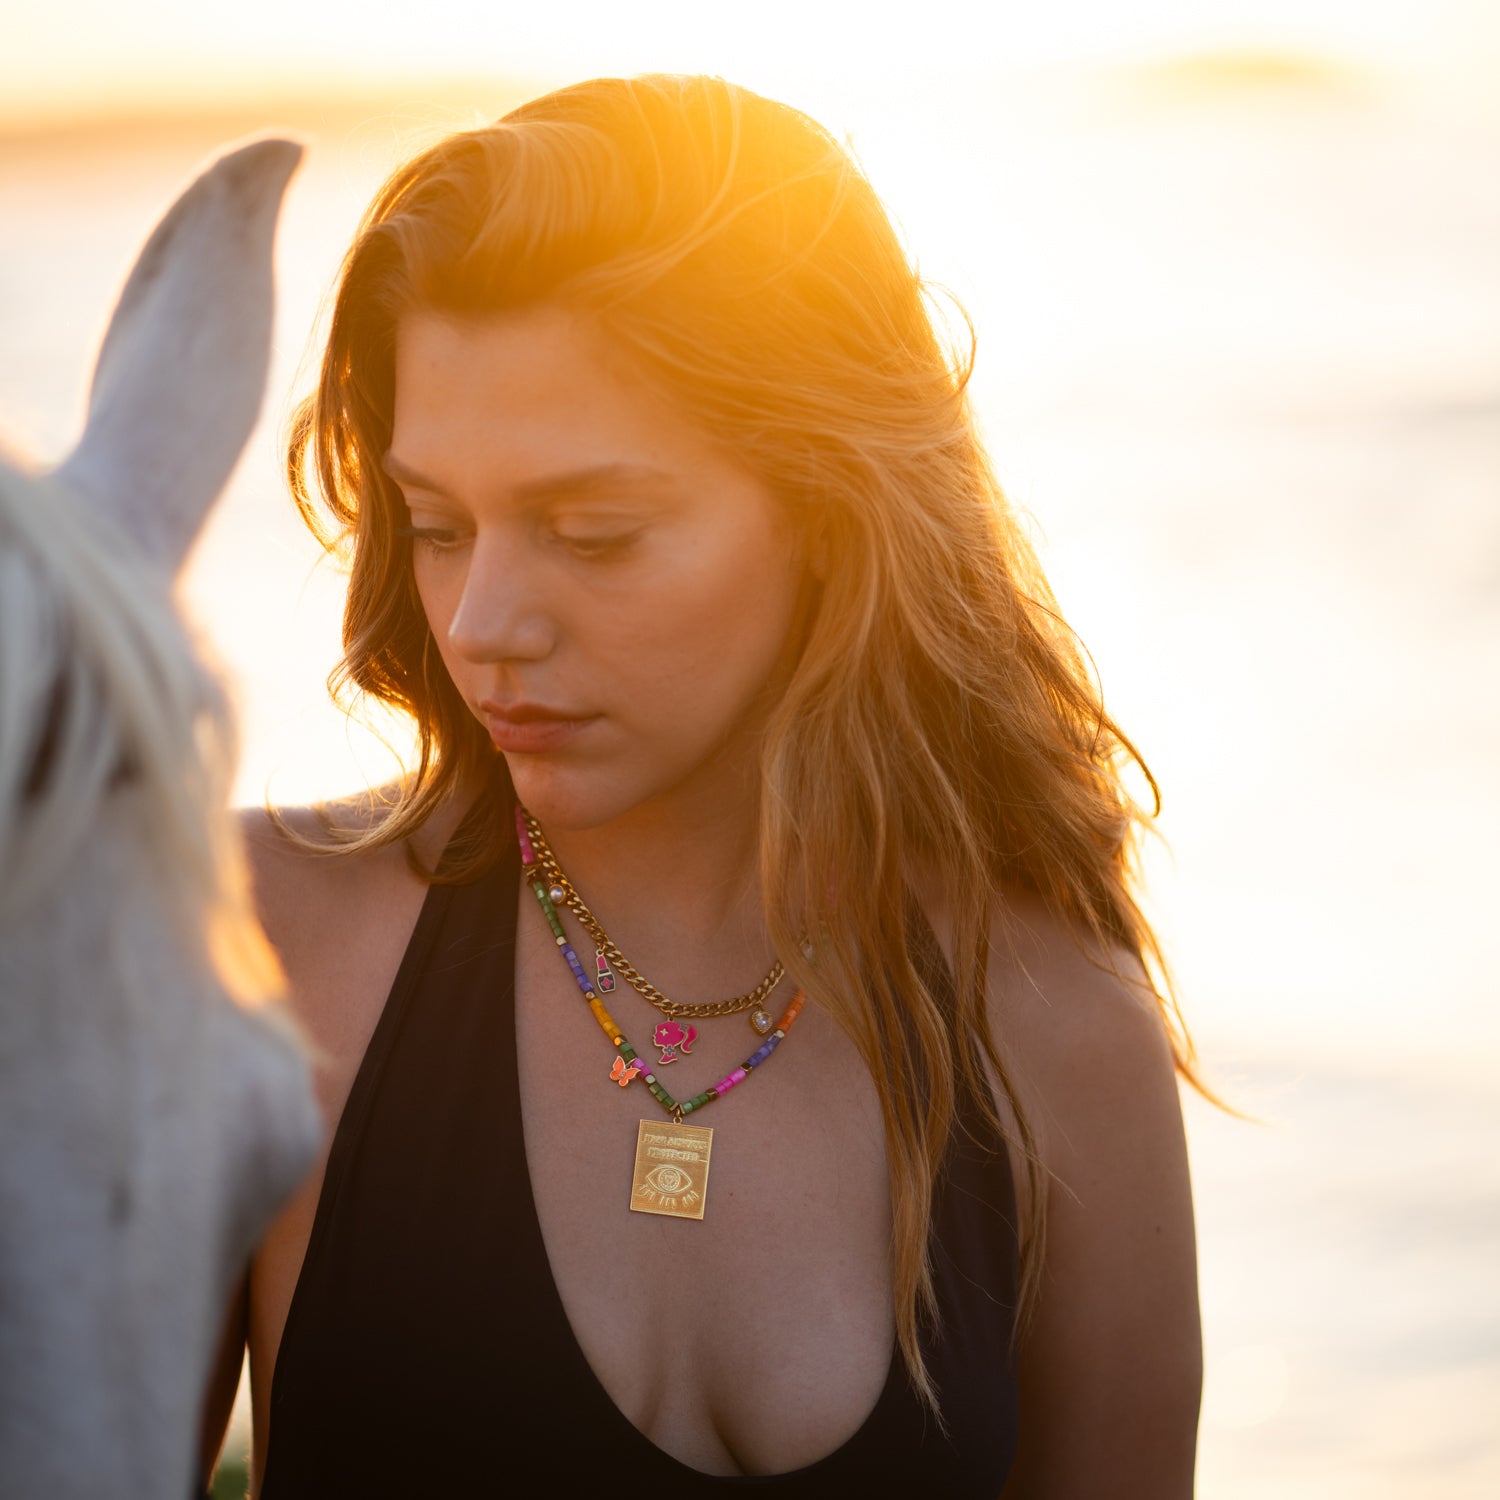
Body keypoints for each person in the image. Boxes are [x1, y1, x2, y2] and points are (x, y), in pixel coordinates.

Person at [201, 73, 1202, 1496]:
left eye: (594, 533)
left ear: (828, 516)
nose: (483, 620)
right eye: (434, 524)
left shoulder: (1058, 1044)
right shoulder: (258, 947)